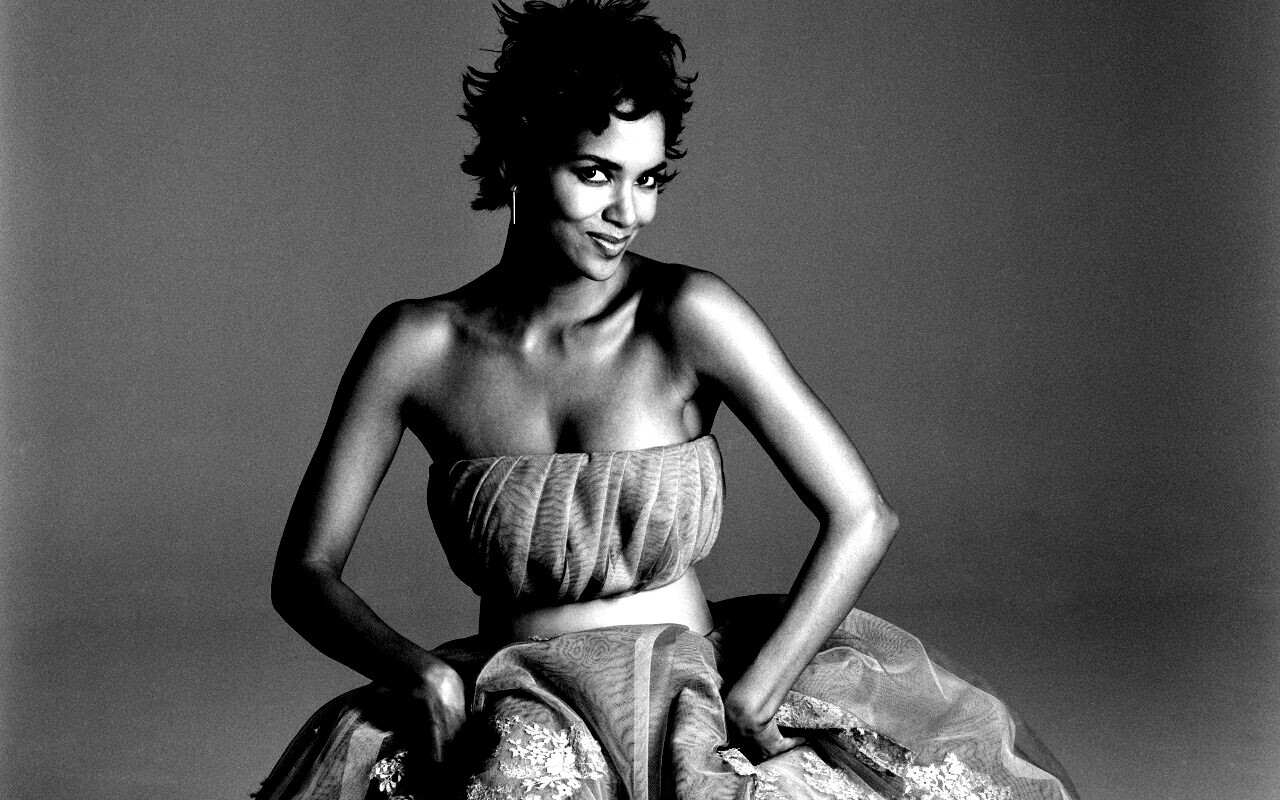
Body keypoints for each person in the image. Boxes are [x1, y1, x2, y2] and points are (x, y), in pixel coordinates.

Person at [257, 2, 1079, 798]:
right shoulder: (417, 345)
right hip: (513, 713)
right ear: (514, 157)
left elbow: (863, 516)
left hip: (696, 704)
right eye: (595, 174)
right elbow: (304, 572)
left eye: (648, 179)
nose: (629, 214)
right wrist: (422, 673)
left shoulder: (686, 315)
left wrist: (755, 696)